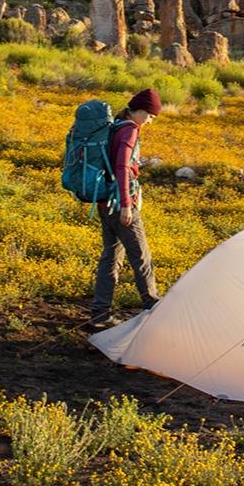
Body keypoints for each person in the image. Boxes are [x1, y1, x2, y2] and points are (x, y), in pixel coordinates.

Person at [90, 88, 161, 329]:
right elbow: (121, 167)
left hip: (104, 202)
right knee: (141, 255)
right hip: (120, 203)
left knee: (111, 257)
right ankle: (153, 308)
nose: (150, 121)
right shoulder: (130, 130)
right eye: (150, 116)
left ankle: (100, 315)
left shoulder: (117, 126)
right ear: (139, 110)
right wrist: (126, 205)